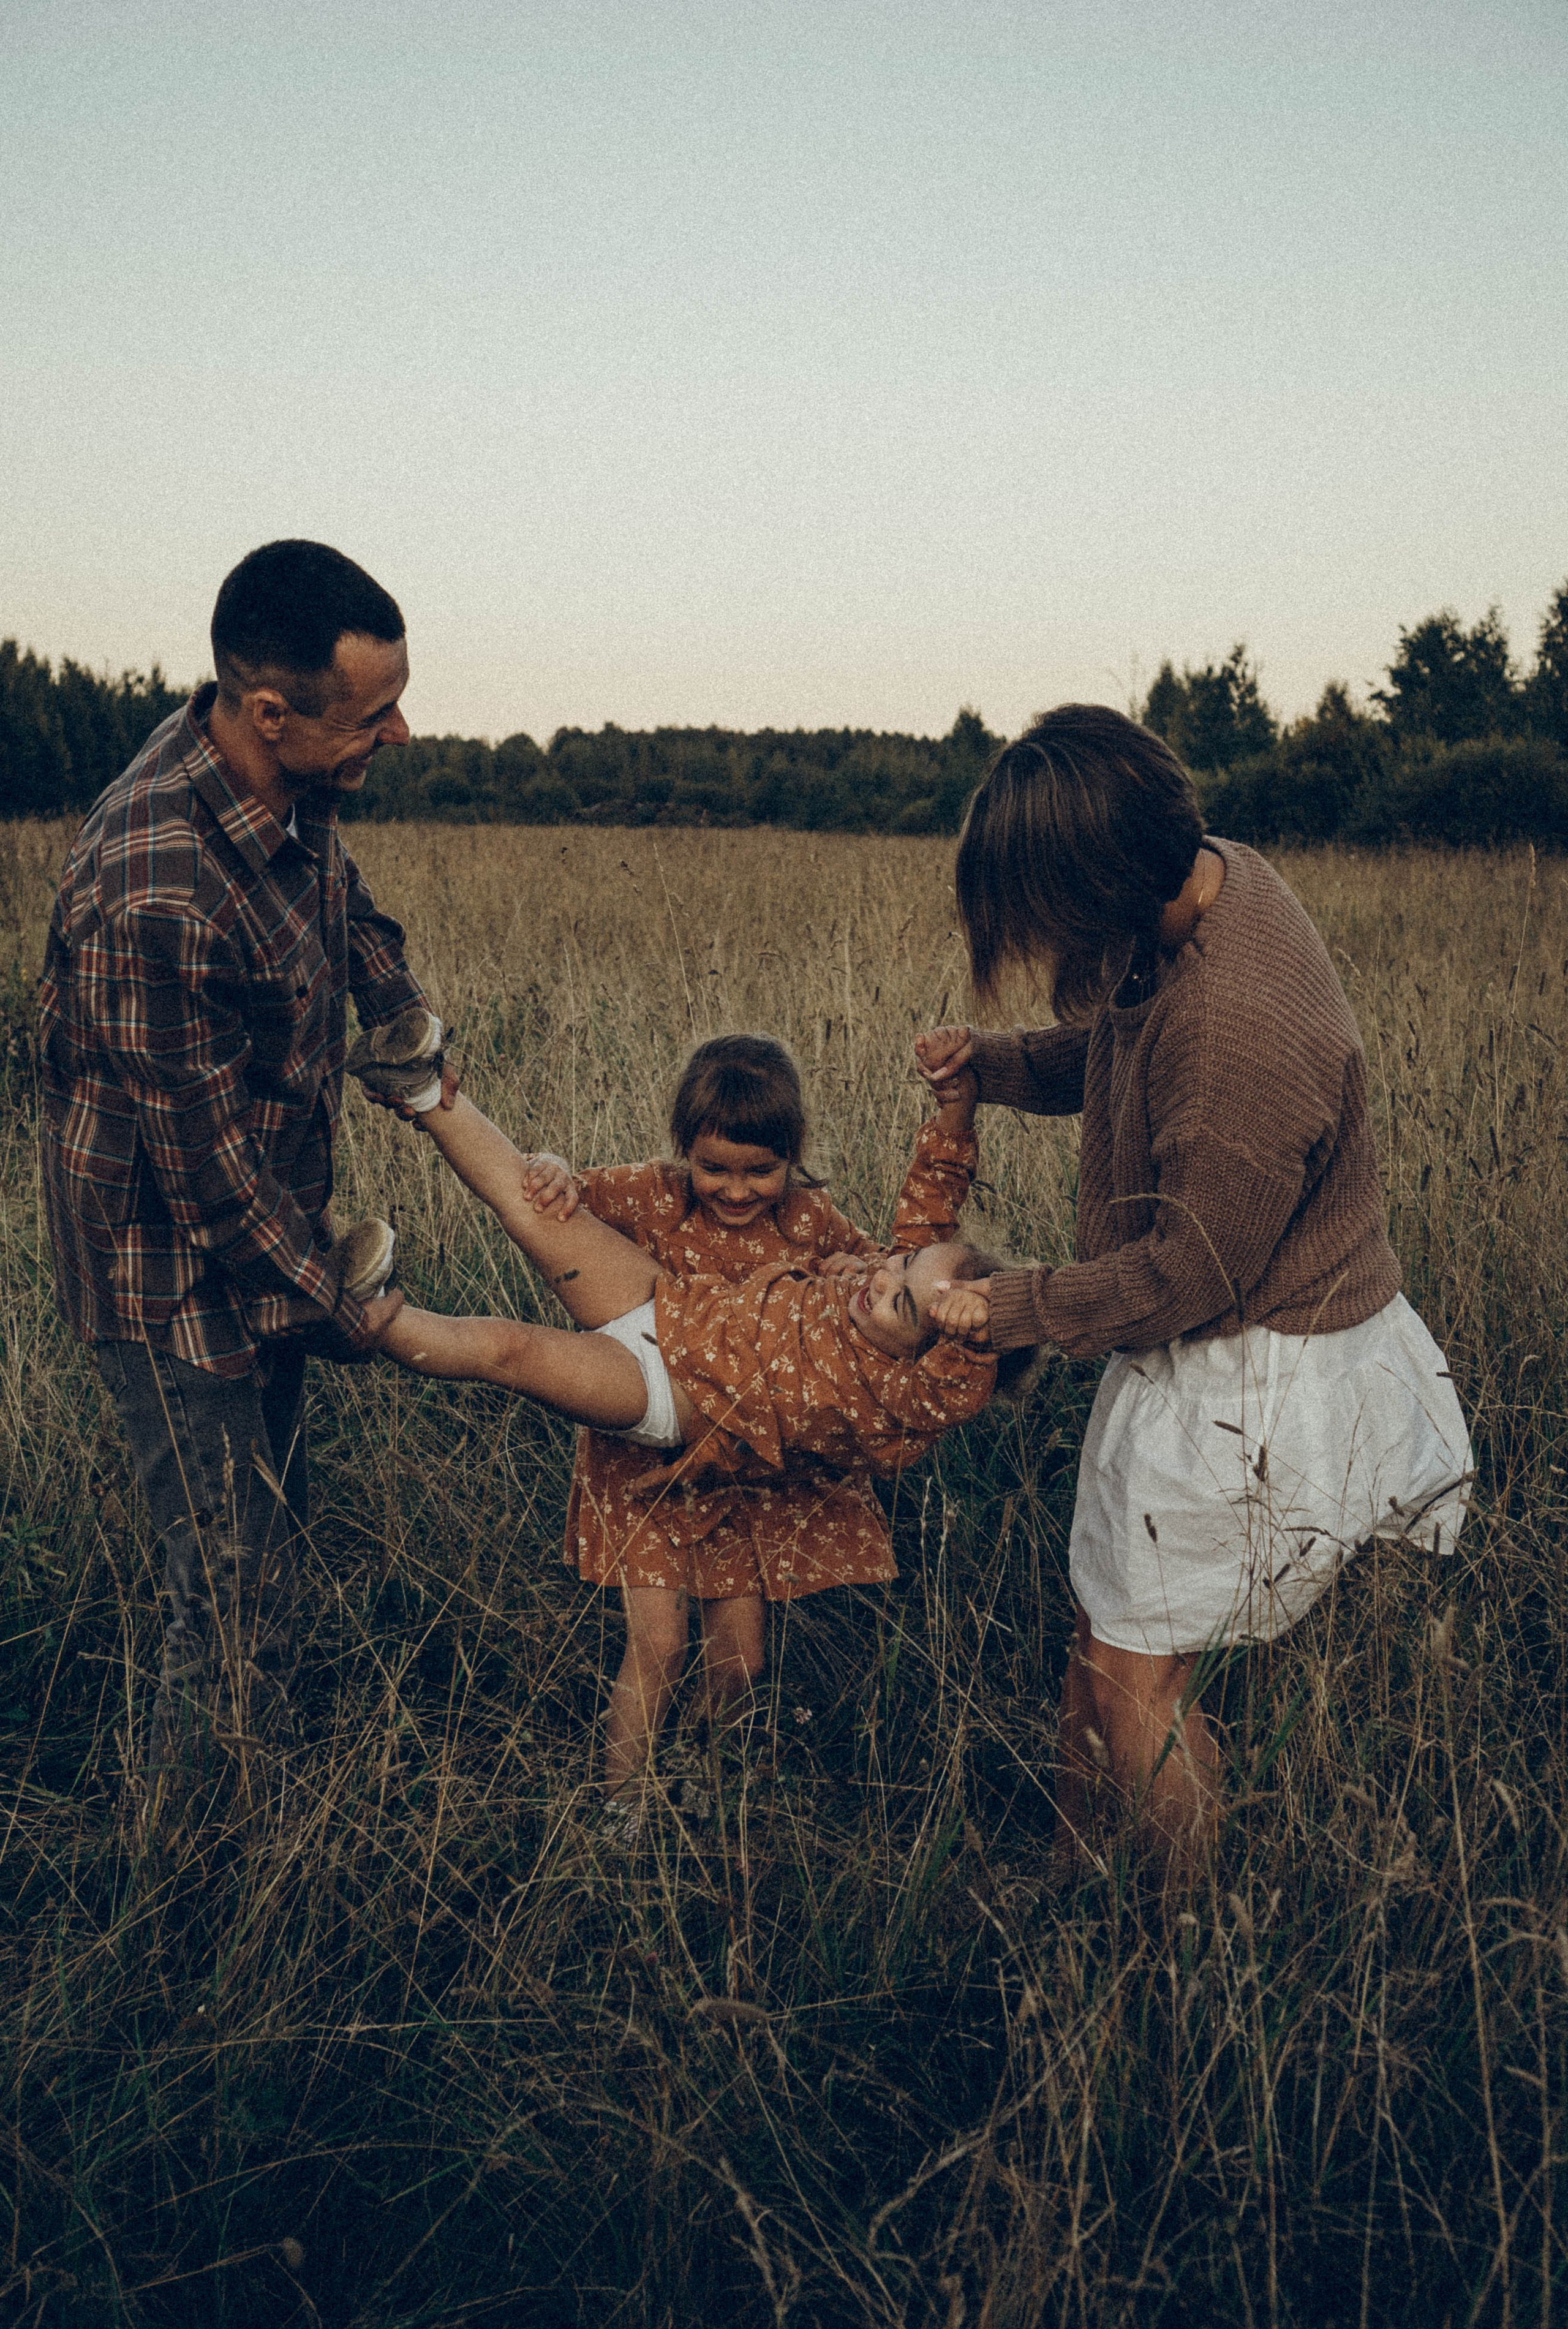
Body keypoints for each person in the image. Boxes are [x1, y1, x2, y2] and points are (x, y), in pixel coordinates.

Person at [916, 703, 1472, 1870]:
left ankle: (1188, 1947)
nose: (1036, 942)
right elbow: (1127, 1045)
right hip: (1205, 1343)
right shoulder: (1210, 879)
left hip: (1256, 1370)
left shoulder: (1236, 1028)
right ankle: (1074, 1878)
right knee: (1104, 1631)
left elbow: (1188, 1277)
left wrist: (1008, 1308)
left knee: (1138, 1683)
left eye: (1042, 914)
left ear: (1099, 892)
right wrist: (995, 1063)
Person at [346, 1062, 1023, 1829]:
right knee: (533, 1214)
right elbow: (930, 1215)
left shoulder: (907, 1392)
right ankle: (421, 1085)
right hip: (667, 1304)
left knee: (513, 1353)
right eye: (898, 1265)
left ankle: (368, 1316)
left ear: (942, 1349)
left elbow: (960, 1379)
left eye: (901, 1300)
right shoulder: (877, 1275)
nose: (880, 1277)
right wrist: (954, 1111)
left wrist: (980, 1329)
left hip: (668, 1399)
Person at [39, 540, 429, 1785]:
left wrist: (396, 1007)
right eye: (374, 714)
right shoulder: (155, 888)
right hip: (166, 1273)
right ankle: (193, 1868)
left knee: (273, 1528)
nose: (401, 732)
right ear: (268, 710)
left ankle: (274, 1788)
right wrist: (346, 1309)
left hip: (264, 1227)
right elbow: (205, 1179)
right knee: (227, 1596)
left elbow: (335, 890)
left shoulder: (283, 775)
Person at [499, 1032, 982, 1806]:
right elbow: (569, 1199)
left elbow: (901, 1267)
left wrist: (860, 1263)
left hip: (744, 1475)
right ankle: (621, 1817)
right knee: (659, 1646)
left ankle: (704, 1792)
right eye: (714, 1168)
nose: (735, 1190)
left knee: (739, 1664)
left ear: (793, 1156)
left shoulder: (811, 1222)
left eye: (760, 1171)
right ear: (683, 1149)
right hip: (648, 1463)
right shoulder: (654, 1195)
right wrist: (553, 1167)